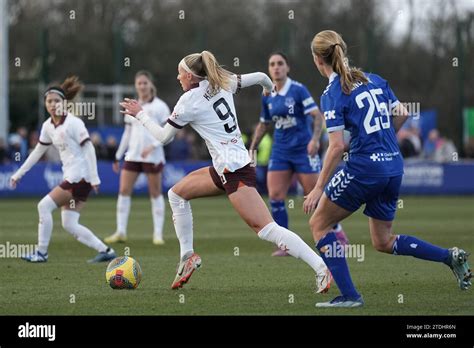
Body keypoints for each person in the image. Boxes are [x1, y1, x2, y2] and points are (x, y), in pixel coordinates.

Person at [120, 50, 332, 292]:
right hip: (226, 167)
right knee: (176, 194)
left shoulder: (189, 100)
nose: (178, 78)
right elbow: (262, 76)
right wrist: (267, 88)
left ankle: (321, 267)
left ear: (190, 76)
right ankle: (187, 256)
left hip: (235, 171)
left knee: (266, 230)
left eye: (180, 74)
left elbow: (163, 137)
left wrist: (141, 114)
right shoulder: (224, 81)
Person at [304, 30, 472, 308]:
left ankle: (349, 296)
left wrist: (318, 188)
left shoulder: (333, 93)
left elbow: (335, 148)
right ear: (342, 51)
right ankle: (449, 256)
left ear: (316, 60)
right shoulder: (375, 79)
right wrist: (382, 143)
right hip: (393, 167)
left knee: (318, 224)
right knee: (382, 241)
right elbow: (403, 113)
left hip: (364, 169)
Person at [249, 52, 347, 257]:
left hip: (303, 150)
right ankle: (285, 244)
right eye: (272, 64)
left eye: (280, 64)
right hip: (280, 151)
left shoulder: (298, 90)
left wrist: (314, 139)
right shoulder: (267, 94)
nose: (276, 67)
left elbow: (317, 116)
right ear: (269, 69)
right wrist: (253, 147)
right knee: (275, 195)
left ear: (287, 67)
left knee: (315, 194)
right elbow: (265, 123)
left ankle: (337, 233)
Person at [10, 76, 116, 263]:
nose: (52, 104)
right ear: (45, 103)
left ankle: (41, 252)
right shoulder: (47, 126)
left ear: (64, 103)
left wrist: (94, 178)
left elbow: (89, 148)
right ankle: (106, 250)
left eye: (56, 101)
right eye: (49, 101)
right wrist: (18, 174)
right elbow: (36, 153)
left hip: (80, 177)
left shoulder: (73, 123)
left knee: (44, 206)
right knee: (69, 223)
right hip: (75, 178)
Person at [105, 71, 170, 245]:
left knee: (155, 193)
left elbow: (170, 132)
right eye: (139, 83)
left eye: (145, 83)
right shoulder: (132, 105)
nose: (142, 86)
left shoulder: (160, 106)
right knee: (124, 191)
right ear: (135, 85)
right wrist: (118, 156)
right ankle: (121, 232)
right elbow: (127, 133)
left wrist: (153, 146)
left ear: (151, 84)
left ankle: (157, 234)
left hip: (153, 156)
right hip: (133, 155)